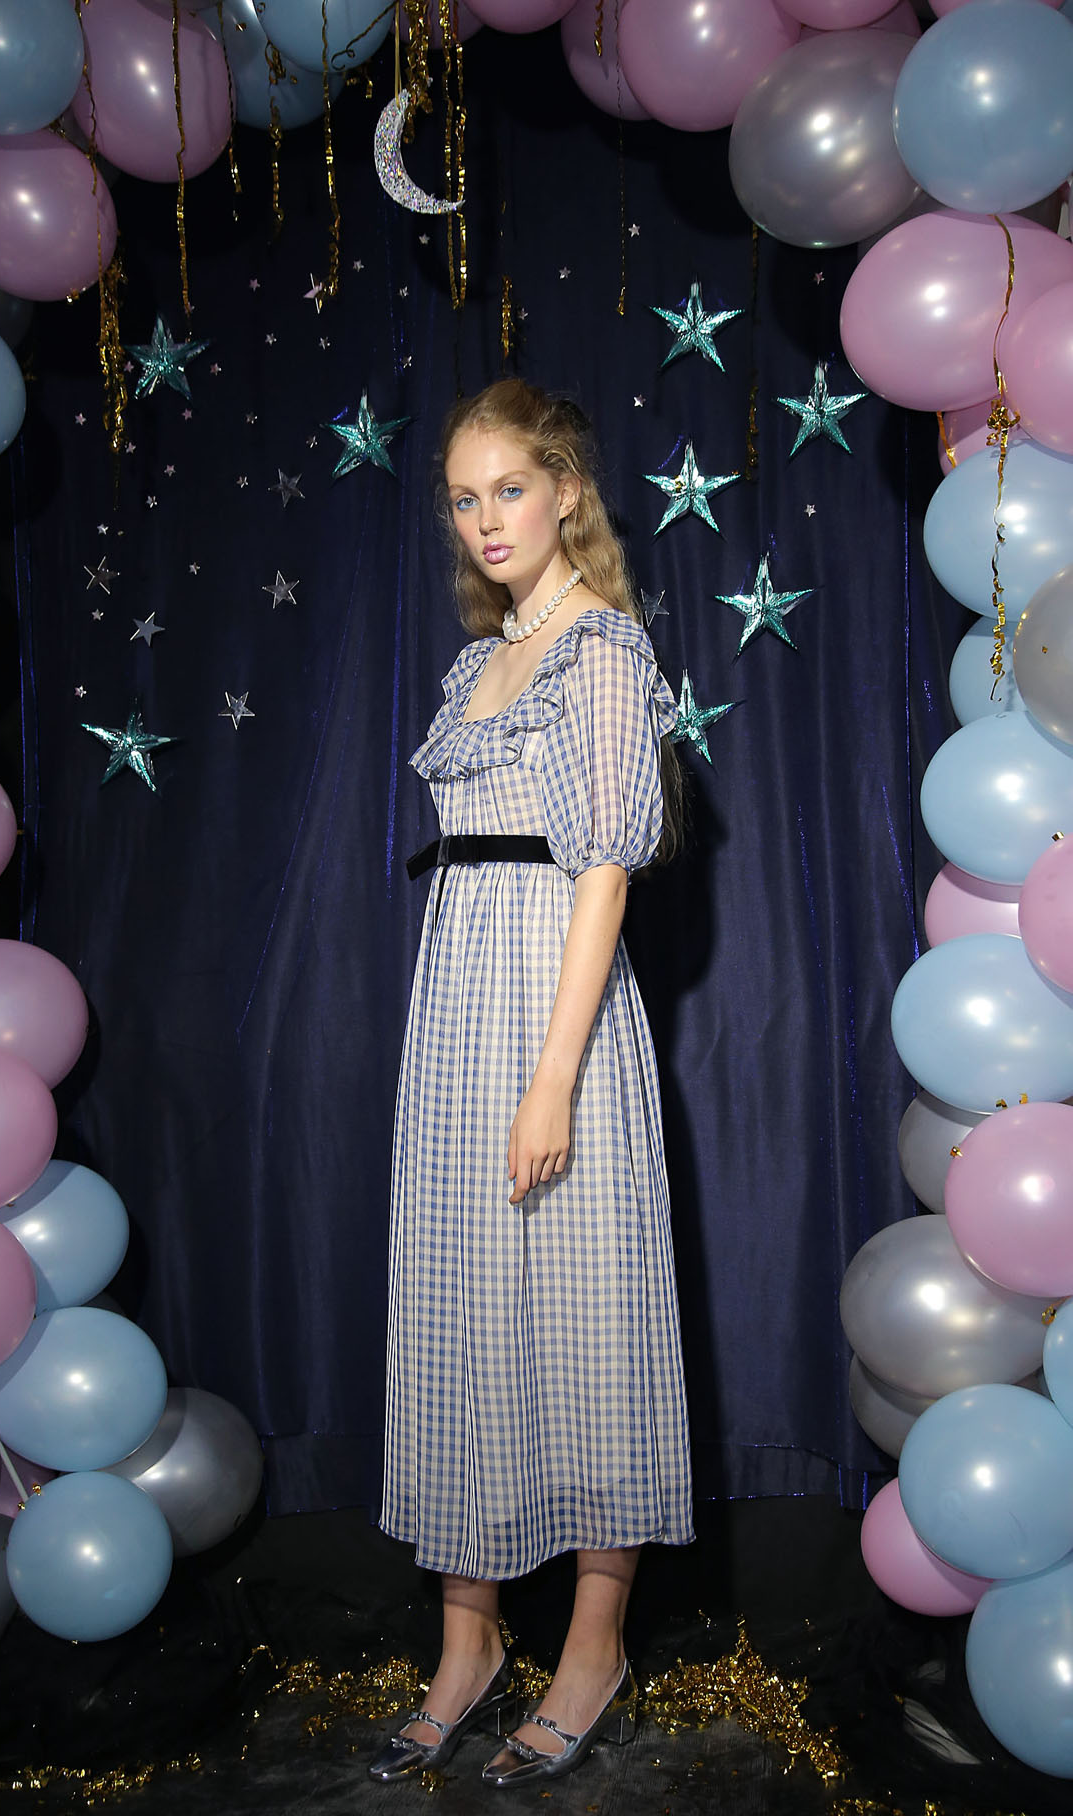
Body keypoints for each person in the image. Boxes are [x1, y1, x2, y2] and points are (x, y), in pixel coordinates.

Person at [369, 378, 693, 1788]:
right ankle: (467, 1642)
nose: (486, 518)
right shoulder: (477, 660)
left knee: (583, 1327)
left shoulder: (602, 655)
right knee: (457, 1327)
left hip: (550, 1025)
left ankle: (595, 1645)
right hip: (454, 1023)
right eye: (462, 495)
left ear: (565, 489)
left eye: (509, 487)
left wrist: (553, 1079)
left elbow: (605, 877)